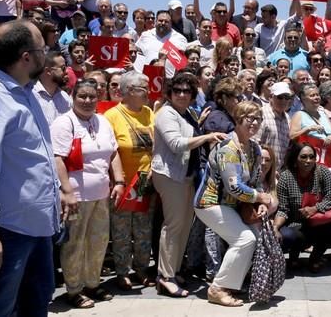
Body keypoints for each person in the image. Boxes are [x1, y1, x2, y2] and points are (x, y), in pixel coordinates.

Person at [0, 20, 61, 317]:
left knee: (35, 303)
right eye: (43, 48)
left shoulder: (26, 93)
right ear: (26, 57)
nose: (48, 54)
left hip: (37, 228)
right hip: (6, 233)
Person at [51, 78, 125, 308]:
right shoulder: (64, 123)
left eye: (92, 96)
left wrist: (120, 181)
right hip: (76, 197)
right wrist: (67, 192)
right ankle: (74, 289)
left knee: (99, 241)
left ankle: (92, 284)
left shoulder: (103, 121)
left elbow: (113, 153)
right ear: (73, 97)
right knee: (75, 243)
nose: (87, 100)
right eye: (82, 96)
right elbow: (58, 160)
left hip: (101, 194)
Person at [152, 73, 226, 297]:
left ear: (193, 95)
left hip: (186, 175)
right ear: (170, 93)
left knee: (184, 226)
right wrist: (207, 137)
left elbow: (190, 133)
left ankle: (173, 271)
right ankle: (164, 277)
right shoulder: (165, 113)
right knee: (173, 225)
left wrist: (202, 128)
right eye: (177, 91)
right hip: (169, 175)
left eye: (187, 91)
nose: (182, 94)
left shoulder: (188, 113)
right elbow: (176, 144)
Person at [195, 102, 273, 307]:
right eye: (249, 118)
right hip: (210, 203)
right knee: (245, 239)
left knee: (255, 238)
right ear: (238, 120)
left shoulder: (254, 148)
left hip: (234, 205)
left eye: (257, 118)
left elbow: (255, 181)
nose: (254, 122)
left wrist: (261, 201)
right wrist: (260, 198)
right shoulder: (228, 148)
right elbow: (234, 187)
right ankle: (218, 288)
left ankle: (234, 284)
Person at [103, 72, 156, 290]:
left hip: (145, 180)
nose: (149, 91)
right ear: (129, 91)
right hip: (122, 182)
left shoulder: (149, 112)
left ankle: (142, 268)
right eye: (144, 88)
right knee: (122, 230)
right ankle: (122, 271)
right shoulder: (111, 116)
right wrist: (118, 180)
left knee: (143, 228)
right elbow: (109, 151)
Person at [274, 141, 331, 272]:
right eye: (303, 157)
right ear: (295, 159)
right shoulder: (285, 178)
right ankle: (293, 257)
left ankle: (316, 257)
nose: (308, 160)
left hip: (320, 220)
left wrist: (316, 208)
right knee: (287, 235)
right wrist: (275, 227)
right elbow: (283, 208)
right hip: (295, 222)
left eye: (311, 157)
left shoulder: (323, 172)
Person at [254, 81, 293, 169]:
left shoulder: (287, 118)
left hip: (277, 171)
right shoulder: (261, 114)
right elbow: (255, 143)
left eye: (287, 97)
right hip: (260, 168)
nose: (283, 101)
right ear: (271, 97)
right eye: (280, 97)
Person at [35, 51, 72, 125]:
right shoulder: (31, 96)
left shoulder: (65, 98)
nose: (67, 72)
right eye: (63, 68)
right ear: (48, 71)